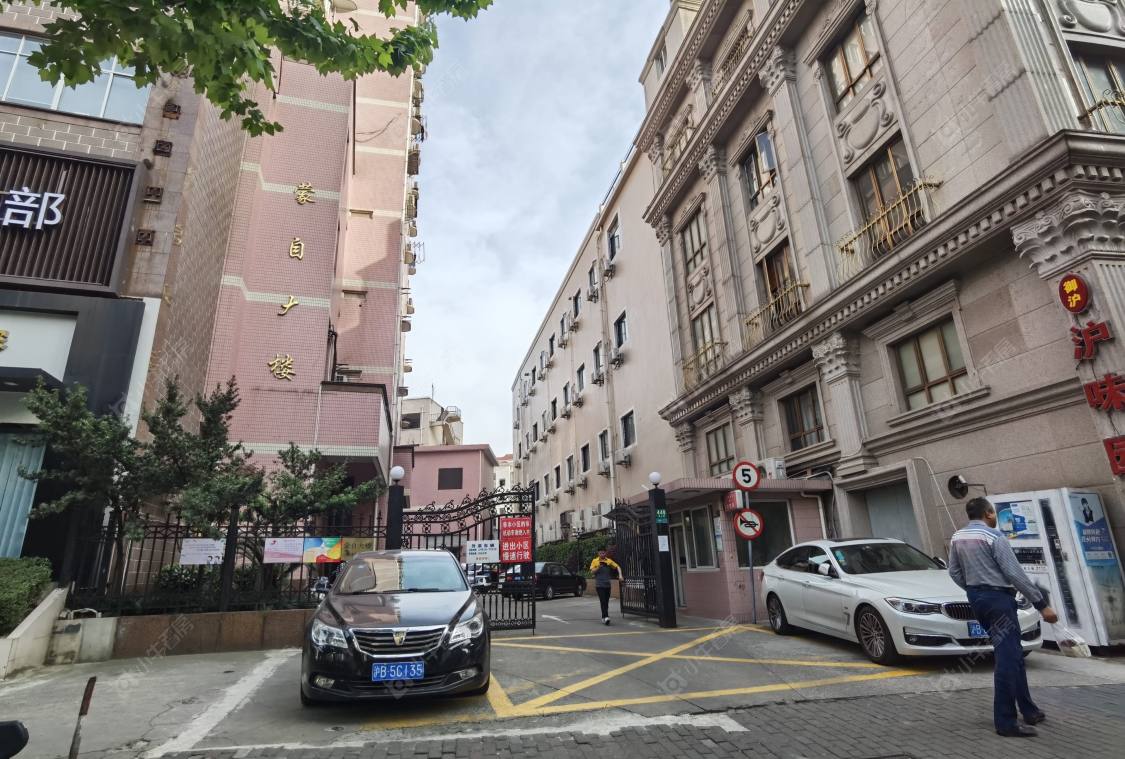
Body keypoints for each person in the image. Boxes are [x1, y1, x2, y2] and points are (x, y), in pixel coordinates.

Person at [947, 497, 1059, 738]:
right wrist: (1041, 605)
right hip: (999, 600)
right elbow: (1014, 573)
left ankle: (1029, 710)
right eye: (993, 512)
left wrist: (973, 589)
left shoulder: (958, 537)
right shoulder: (994, 537)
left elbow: (953, 571)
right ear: (988, 513)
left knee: (1013, 654)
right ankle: (1006, 722)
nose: (995, 516)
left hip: (977, 599)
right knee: (1007, 658)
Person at [589, 548, 622, 625]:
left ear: (605, 553)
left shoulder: (609, 561)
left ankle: (603, 617)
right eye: (600, 553)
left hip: (607, 585)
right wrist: (598, 567)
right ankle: (606, 617)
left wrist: (620, 575)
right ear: (598, 553)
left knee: (606, 602)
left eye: (603, 553)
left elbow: (617, 567)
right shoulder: (595, 561)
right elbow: (592, 572)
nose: (602, 554)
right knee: (603, 601)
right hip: (599, 585)